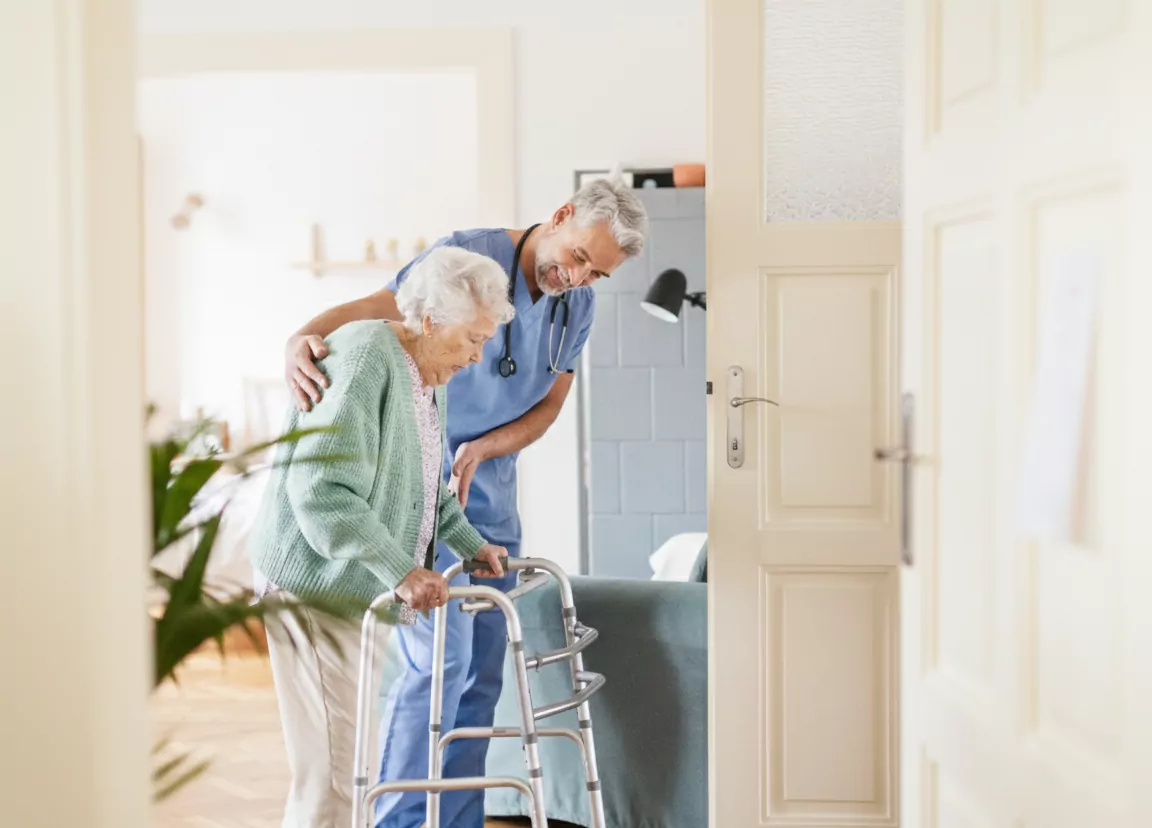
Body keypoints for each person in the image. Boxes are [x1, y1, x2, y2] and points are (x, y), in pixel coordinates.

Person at [284, 178, 649, 828]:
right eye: (578, 257)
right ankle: (400, 818)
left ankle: (455, 819)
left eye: (596, 272)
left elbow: (549, 407)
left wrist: (484, 451)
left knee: (483, 668)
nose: (578, 276)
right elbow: (379, 311)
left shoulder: (575, 308)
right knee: (436, 667)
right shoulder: (467, 260)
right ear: (561, 215)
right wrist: (301, 337)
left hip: (485, 488)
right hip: (416, 476)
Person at [249, 246, 514, 828]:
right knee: (334, 771)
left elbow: (425, 485)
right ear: (429, 320)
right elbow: (320, 489)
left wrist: (469, 541)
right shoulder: (368, 355)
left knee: (350, 759)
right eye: (473, 338)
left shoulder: (427, 372)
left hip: (348, 581)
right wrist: (400, 568)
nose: (478, 355)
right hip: (312, 583)